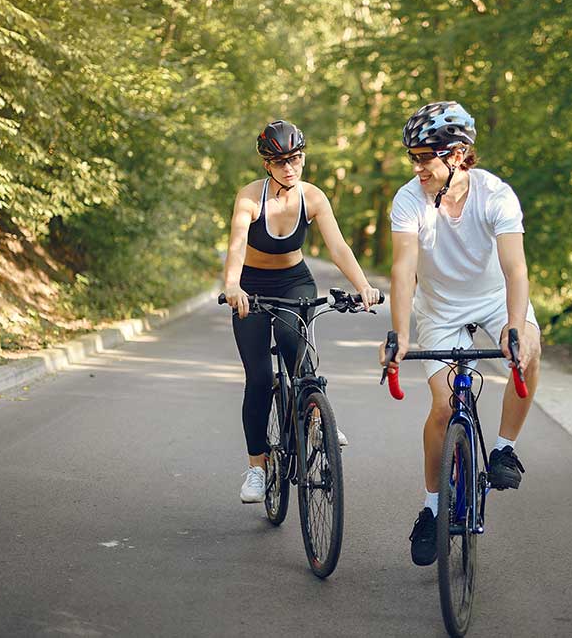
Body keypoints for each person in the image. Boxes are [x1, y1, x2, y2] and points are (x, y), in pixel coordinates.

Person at [379, 101, 541, 566]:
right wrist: (401, 334)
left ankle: (505, 449)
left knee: (529, 350)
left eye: (424, 157)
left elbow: (515, 267)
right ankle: (432, 507)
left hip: (493, 295)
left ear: (456, 155)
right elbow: (404, 267)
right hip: (440, 306)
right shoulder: (409, 200)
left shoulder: (496, 195)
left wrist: (515, 325)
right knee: (444, 404)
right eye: (412, 157)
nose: (417, 167)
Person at [223, 120, 381, 504]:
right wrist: (232, 286)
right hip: (253, 287)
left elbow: (338, 247)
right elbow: (237, 247)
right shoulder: (249, 197)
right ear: (267, 165)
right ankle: (257, 469)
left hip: (295, 281)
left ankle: (314, 419)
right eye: (279, 162)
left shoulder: (313, 197)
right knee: (259, 378)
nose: (289, 168)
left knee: (298, 348)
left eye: (294, 159)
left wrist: (362, 285)